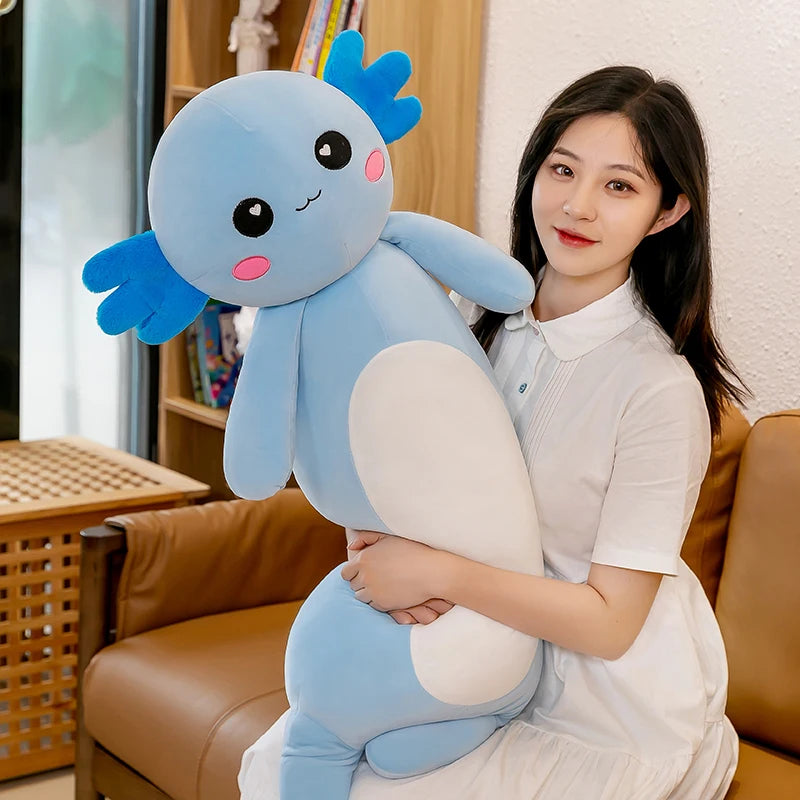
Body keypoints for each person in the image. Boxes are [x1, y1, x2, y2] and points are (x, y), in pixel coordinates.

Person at [238, 65, 748, 799]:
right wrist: (369, 533)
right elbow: (398, 466)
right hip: (454, 654)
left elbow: (611, 623)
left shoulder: (657, 390)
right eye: (562, 169)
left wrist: (439, 574)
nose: (576, 206)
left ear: (667, 213)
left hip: (596, 703)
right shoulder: (469, 321)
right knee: (274, 764)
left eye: (619, 186)